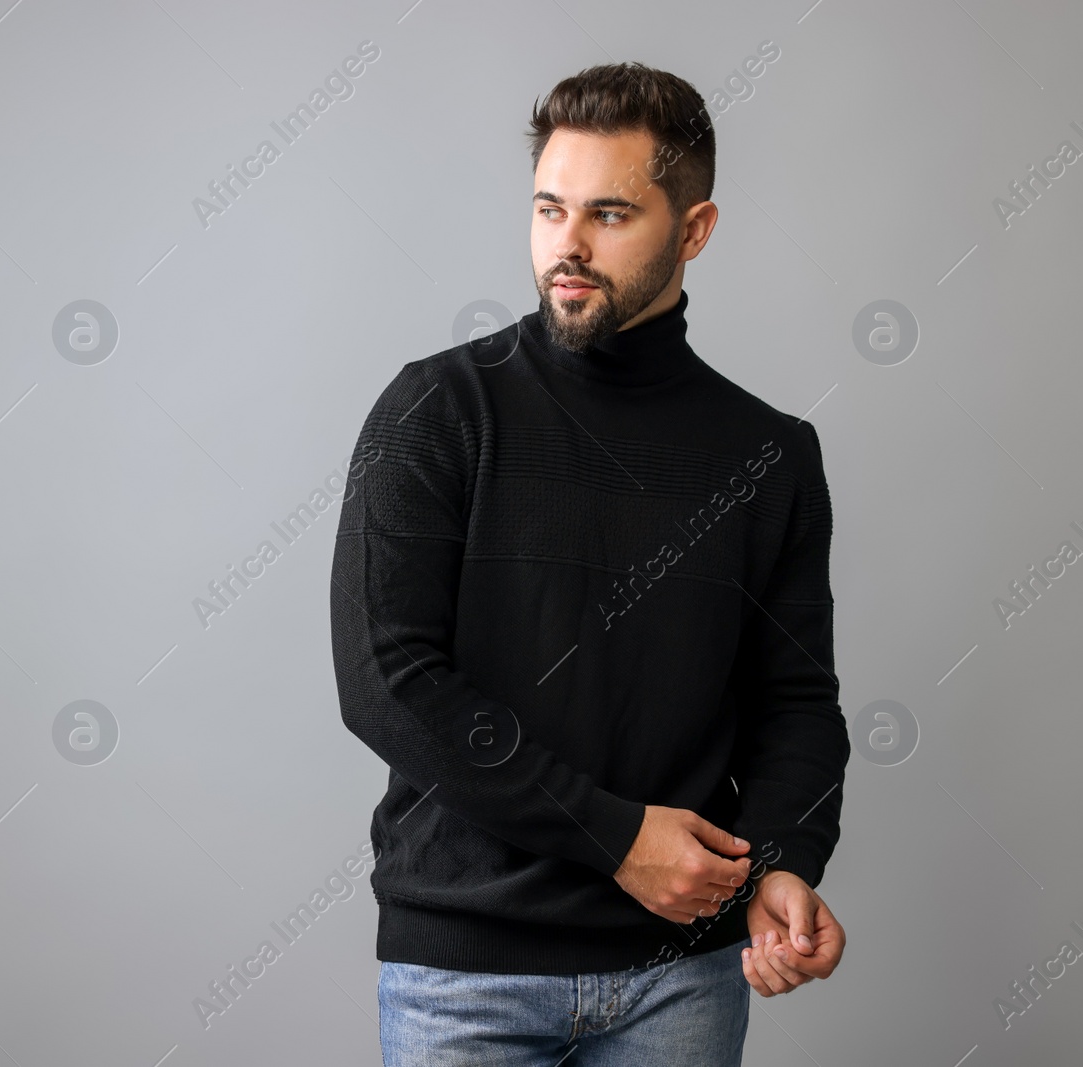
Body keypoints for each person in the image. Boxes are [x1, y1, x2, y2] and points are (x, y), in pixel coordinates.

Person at [328, 61, 848, 1066]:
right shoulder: (438, 412)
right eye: (548, 208)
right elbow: (385, 678)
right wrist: (613, 834)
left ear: (693, 230)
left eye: (609, 213)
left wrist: (783, 860)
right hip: (464, 976)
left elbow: (793, 700)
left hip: (681, 981)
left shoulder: (771, 455)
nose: (566, 244)